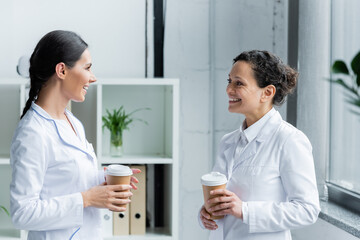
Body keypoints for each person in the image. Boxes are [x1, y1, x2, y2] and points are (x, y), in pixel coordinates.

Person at [10, 30, 140, 240]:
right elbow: (22, 213)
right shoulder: (32, 133)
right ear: (62, 70)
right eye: (87, 68)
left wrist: (104, 180)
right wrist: (86, 199)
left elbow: (65, 180)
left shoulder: (73, 122)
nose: (93, 77)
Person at [199, 50, 320, 239]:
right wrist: (206, 215)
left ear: (267, 92)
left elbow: (307, 210)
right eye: (229, 81)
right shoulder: (228, 142)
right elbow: (224, 202)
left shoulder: (290, 140)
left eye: (238, 83)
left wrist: (246, 211)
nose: (229, 89)